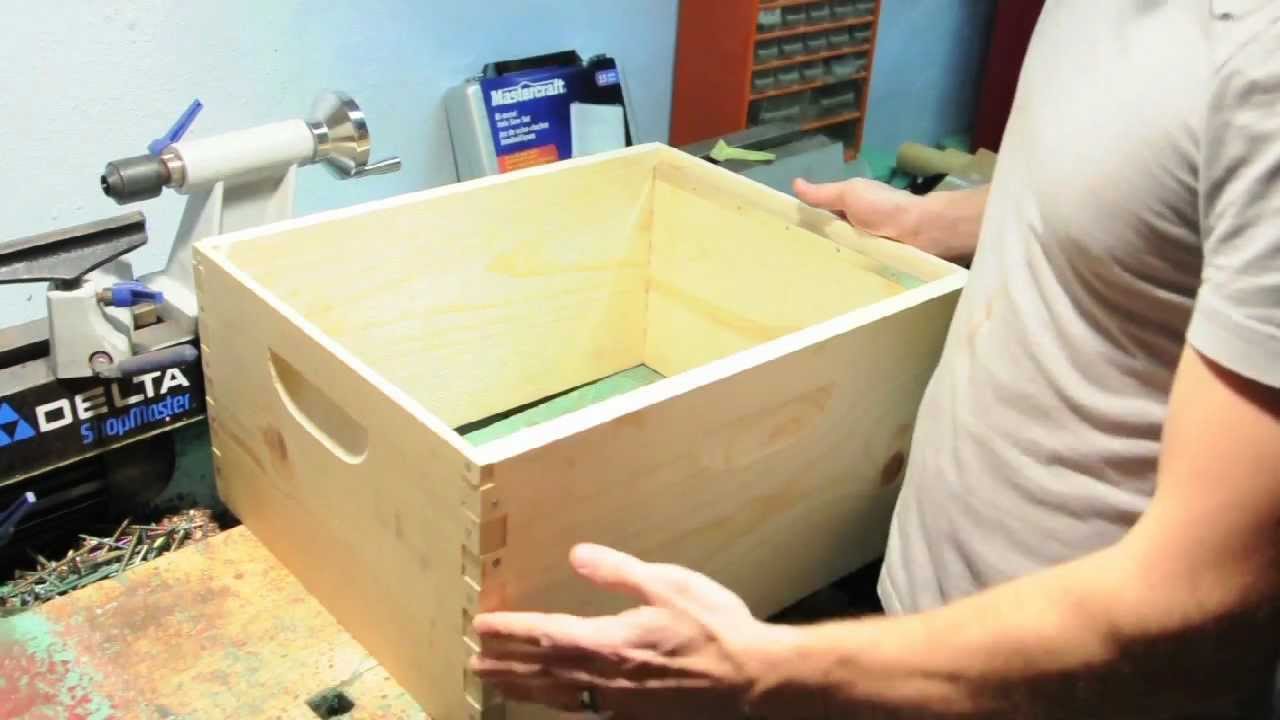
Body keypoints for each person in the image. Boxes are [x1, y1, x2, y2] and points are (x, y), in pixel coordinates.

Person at [470, 2, 1280, 717]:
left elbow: (1210, 605)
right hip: (917, 619)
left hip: (1069, 688)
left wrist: (756, 674)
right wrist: (940, 223)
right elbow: (1153, 196)